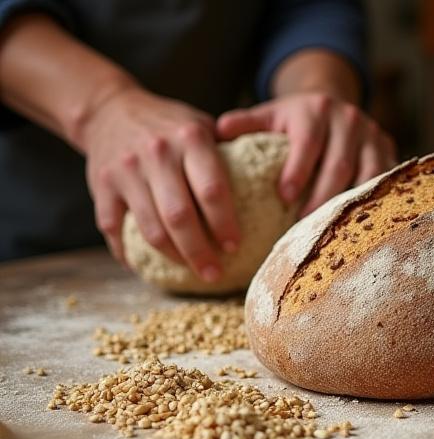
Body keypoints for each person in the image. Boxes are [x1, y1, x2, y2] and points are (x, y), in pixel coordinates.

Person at [0, 0, 396, 283]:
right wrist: (101, 106)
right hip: (29, 232)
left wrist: (317, 88)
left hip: (218, 192)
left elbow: (305, 8)